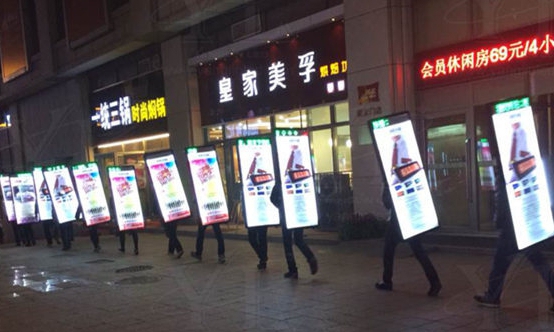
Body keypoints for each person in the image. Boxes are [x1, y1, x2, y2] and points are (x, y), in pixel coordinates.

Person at [474, 171, 554, 310]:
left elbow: (502, 203)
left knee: (500, 265)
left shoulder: (505, 172)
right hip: (526, 225)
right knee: (540, 263)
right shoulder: (524, 170)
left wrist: (498, 222)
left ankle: (492, 297)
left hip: (511, 229)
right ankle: (492, 296)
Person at [375, 185, 441, 296]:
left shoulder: (391, 179)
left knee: (388, 251)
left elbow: (387, 204)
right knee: (419, 252)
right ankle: (434, 282)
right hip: (411, 219)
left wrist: (386, 191)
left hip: (398, 222)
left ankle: (387, 281)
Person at [270, 182, 318, 279]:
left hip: (286, 217)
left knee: (287, 244)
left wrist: (281, 206)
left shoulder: (280, 183)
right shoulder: (297, 181)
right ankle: (310, 257)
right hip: (297, 215)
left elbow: (272, 198)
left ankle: (293, 270)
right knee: (298, 240)